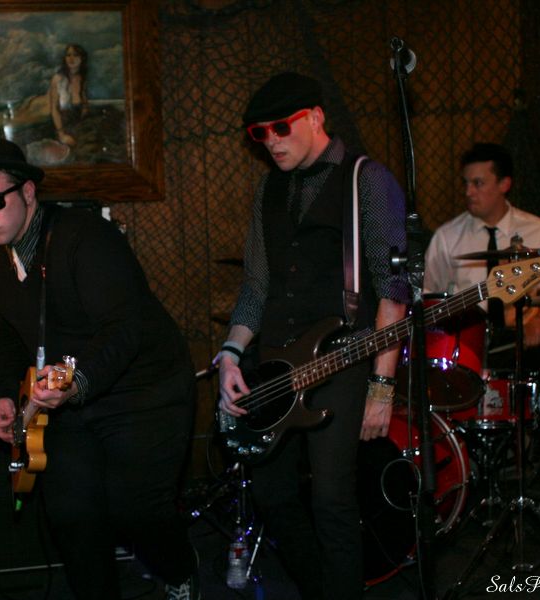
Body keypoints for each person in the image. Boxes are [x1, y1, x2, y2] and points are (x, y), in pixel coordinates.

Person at [0, 138, 200, 600]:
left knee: (135, 509)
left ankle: (181, 571)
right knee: (72, 515)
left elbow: (125, 326)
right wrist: (6, 393)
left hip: (142, 392)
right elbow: (7, 337)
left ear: (28, 192)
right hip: (66, 400)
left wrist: (79, 382)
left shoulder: (86, 237)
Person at [217, 72, 409, 600]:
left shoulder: (366, 180)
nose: (271, 141)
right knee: (272, 494)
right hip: (276, 361)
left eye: (281, 127)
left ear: (316, 117)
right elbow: (257, 285)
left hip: (343, 360)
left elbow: (393, 292)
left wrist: (381, 387)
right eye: (260, 133)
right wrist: (231, 353)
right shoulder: (269, 188)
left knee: (331, 501)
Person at [424, 142, 540, 495]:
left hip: (519, 335)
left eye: (478, 183)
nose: (469, 192)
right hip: (467, 341)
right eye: (466, 183)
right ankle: (454, 483)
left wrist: (539, 322)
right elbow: (430, 298)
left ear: (504, 184)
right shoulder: (447, 238)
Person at [49, 43, 89, 147]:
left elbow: (84, 105)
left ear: (82, 58)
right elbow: (54, 109)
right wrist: (62, 135)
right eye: (68, 55)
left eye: (75, 55)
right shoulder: (58, 79)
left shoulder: (82, 78)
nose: (71, 58)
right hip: (62, 128)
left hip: (79, 126)